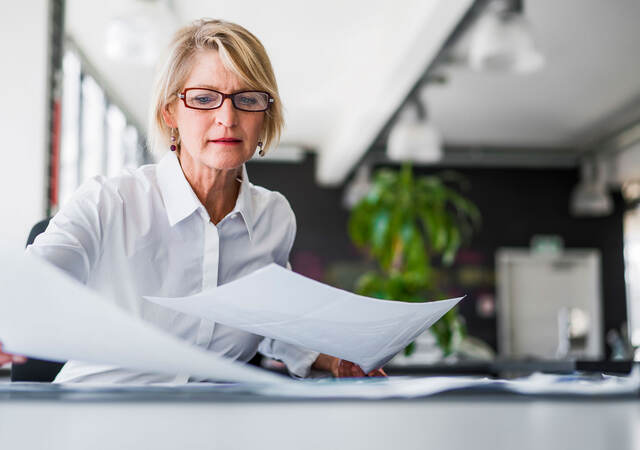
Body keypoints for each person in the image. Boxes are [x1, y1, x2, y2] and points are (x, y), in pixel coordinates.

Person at [0, 19, 385, 382]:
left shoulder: (273, 218)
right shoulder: (110, 202)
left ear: (265, 116)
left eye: (247, 99)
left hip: (210, 423)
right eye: (204, 98)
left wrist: (332, 358)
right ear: (170, 112)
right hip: (99, 419)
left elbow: (268, 319)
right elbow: (24, 288)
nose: (228, 118)